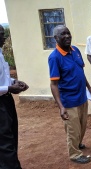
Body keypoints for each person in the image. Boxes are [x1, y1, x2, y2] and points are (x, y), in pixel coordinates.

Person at [48, 25, 91, 164]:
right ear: (56, 38)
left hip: (82, 97)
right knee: (73, 129)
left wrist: (89, 88)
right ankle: (74, 154)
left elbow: (79, 71)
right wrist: (61, 107)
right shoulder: (54, 58)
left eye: (68, 33)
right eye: (63, 34)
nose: (67, 36)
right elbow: (54, 84)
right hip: (69, 101)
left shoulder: (76, 50)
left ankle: (78, 143)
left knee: (82, 125)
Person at [0, 24, 29, 169]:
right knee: (5, 143)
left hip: (6, 100)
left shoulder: (0, 52)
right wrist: (9, 88)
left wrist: (15, 82)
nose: (4, 37)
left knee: (11, 136)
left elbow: (2, 78)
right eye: (1, 34)